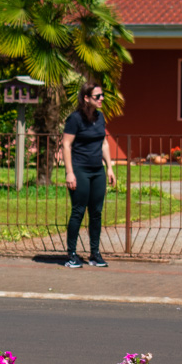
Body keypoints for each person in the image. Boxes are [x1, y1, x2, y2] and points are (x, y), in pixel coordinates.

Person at [61, 81, 116, 268]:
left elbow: (104, 143)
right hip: (79, 169)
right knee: (78, 211)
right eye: (97, 96)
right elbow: (66, 145)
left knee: (96, 213)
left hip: (97, 170)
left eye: (102, 96)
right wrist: (70, 172)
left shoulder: (100, 118)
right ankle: (72, 255)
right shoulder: (75, 119)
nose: (101, 99)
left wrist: (109, 167)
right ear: (86, 98)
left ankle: (95, 254)